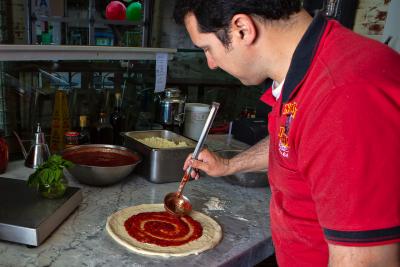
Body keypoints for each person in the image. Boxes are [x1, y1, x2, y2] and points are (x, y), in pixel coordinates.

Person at [173, 1, 400, 266]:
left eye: (207, 49)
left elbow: (366, 261)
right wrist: (230, 165)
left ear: (242, 29)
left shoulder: (344, 95)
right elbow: (293, 138)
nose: (210, 63)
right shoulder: (305, 66)